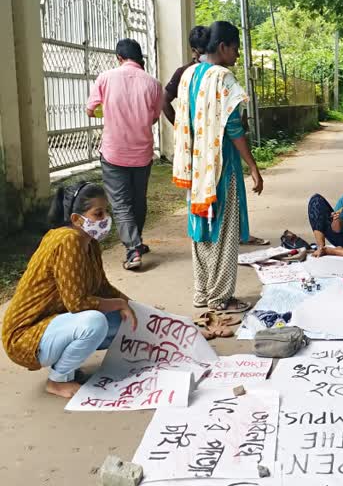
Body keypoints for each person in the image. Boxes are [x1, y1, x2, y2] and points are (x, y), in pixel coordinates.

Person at [1, 182, 137, 399]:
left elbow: (103, 287)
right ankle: (57, 381)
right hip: (24, 337)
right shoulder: (68, 241)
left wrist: (142, 311)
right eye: (98, 213)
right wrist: (120, 304)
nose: (105, 219)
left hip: (53, 324)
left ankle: (67, 367)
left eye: (106, 212)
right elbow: (77, 304)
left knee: (126, 321)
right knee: (95, 322)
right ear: (76, 218)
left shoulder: (89, 242)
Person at [172, 21, 264, 314]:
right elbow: (235, 128)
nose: (237, 56)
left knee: (201, 228)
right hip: (222, 167)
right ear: (223, 46)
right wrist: (253, 166)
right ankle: (220, 297)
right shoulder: (223, 78)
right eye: (236, 49)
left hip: (195, 165)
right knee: (224, 229)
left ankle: (202, 292)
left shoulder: (188, 74)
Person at [86, 38, 163, 271]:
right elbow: (155, 116)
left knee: (120, 203)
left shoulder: (106, 78)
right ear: (139, 58)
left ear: (119, 57)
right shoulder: (153, 83)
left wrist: (107, 110)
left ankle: (133, 249)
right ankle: (136, 241)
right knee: (138, 199)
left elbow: (90, 110)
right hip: (142, 152)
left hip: (114, 152)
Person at [163, 25, 210, 124]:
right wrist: (179, 126)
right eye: (203, 52)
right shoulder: (183, 72)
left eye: (208, 51)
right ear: (194, 51)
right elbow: (164, 100)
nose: (207, 55)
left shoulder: (216, 71)